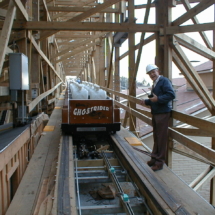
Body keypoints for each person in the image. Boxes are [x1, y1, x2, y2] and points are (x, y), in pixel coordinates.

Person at [141, 64, 175, 171]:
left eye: (153, 72)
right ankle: (154, 158)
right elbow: (154, 100)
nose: (152, 74)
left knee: (161, 138)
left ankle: (159, 162)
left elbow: (171, 95)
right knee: (156, 136)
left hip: (163, 113)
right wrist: (145, 102)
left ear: (158, 71)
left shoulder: (164, 81)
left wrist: (158, 99)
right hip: (156, 113)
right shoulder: (155, 84)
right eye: (150, 73)